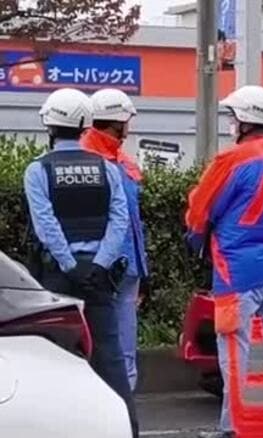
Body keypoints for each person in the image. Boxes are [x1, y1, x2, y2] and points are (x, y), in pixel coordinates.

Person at [185, 85, 263, 438]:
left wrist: (195, 237)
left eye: (233, 117)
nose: (230, 123)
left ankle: (237, 427)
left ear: (246, 121)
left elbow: (199, 210)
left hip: (236, 270)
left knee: (235, 352)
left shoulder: (232, 161)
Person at [23, 88, 139, 438]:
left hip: (59, 276)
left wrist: (70, 265)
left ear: (50, 125)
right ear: (83, 124)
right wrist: (99, 265)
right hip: (100, 276)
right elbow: (120, 221)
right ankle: (128, 428)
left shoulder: (37, 170)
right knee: (110, 356)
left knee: (55, 356)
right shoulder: (107, 167)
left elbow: (46, 225)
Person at [82, 88, 148, 392]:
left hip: (120, 268)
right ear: (119, 122)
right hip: (109, 267)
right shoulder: (103, 162)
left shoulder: (116, 159)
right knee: (114, 350)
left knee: (120, 349)